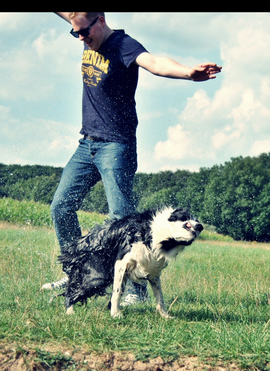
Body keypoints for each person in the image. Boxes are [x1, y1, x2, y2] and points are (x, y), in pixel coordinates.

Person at [41, 12, 221, 301]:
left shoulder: (124, 45)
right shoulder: (83, 26)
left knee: (121, 219)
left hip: (117, 146)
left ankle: (136, 288)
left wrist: (188, 72)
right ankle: (76, 274)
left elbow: (155, 63)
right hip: (87, 144)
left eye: (85, 33)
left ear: (100, 20)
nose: (81, 39)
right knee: (60, 207)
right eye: (75, 34)